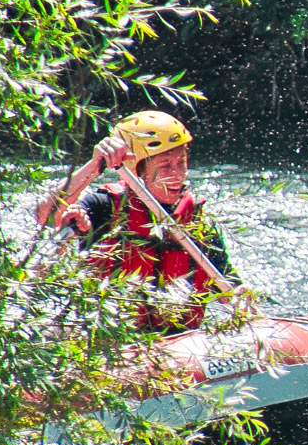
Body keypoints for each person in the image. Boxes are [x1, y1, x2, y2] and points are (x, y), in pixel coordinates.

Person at [36, 110, 239, 332]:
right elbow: (46, 216)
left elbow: (232, 289)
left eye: (181, 162)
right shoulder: (106, 207)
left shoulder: (197, 222)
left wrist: (245, 308)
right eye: (165, 166)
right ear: (137, 170)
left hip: (180, 345)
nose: (178, 174)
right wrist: (96, 165)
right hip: (113, 342)